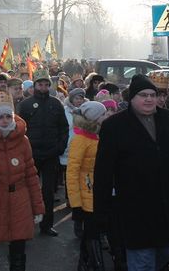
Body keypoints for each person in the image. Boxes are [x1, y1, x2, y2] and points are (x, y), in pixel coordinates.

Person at [94, 74, 169, 271]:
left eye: (153, 94)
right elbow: (103, 173)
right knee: (142, 261)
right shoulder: (114, 126)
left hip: (165, 205)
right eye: (143, 95)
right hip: (134, 208)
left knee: (165, 253)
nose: (149, 99)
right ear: (132, 98)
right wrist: (101, 212)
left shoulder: (168, 119)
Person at [0, 92, 44, 271]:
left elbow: (31, 174)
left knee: (18, 249)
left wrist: (37, 207)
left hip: (19, 200)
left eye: (8, 116)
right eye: (0, 117)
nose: (5, 121)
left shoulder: (22, 140)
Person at [17, 68, 69, 237]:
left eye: (46, 84)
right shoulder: (24, 105)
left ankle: (46, 225)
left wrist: (60, 147)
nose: (43, 87)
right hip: (31, 154)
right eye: (40, 84)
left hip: (51, 154)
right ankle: (25, 225)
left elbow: (63, 127)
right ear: (34, 85)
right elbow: (19, 129)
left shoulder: (56, 104)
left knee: (48, 192)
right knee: (27, 191)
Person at [67, 101, 109, 271]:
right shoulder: (80, 140)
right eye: (103, 114)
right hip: (87, 192)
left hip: (96, 190)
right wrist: (76, 204)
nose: (106, 116)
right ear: (94, 118)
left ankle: (86, 263)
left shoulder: (98, 135)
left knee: (93, 232)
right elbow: (72, 173)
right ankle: (93, 263)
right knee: (91, 232)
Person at [61, 87, 87, 238]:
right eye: (76, 98)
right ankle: (70, 197)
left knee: (77, 173)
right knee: (69, 172)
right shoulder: (66, 111)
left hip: (81, 143)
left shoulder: (85, 110)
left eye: (81, 98)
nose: (79, 100)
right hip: (69, 143)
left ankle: (74, 199)